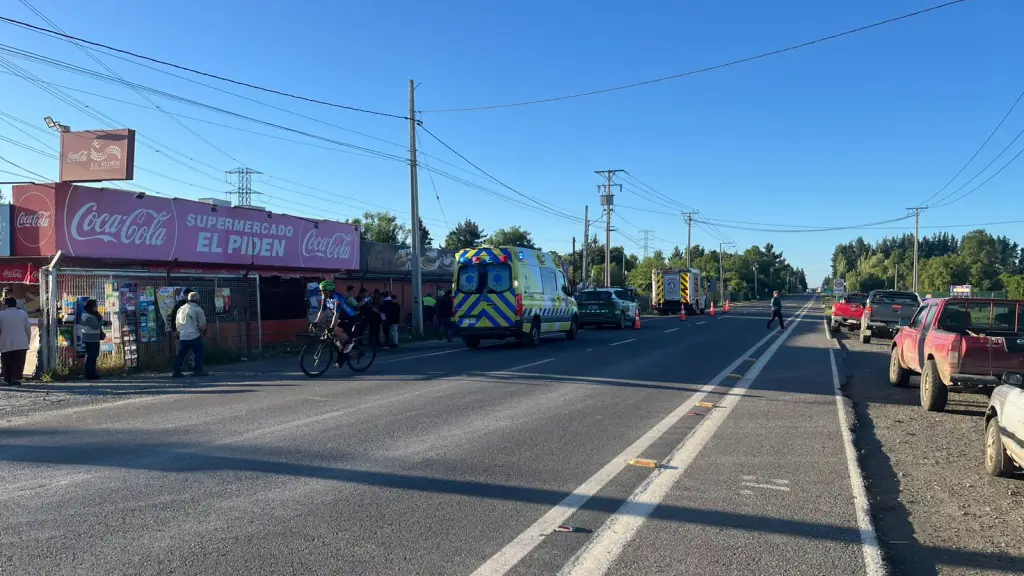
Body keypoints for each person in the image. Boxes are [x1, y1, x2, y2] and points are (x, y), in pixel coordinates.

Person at [310, 280, 359, 359]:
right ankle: (343, 348)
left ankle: (348, 348)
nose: (321, 293)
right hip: (341, 317)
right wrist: (315, 322)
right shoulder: (325, 298)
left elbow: (336, 314)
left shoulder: (337, 298)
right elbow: (322, 311)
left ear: (329, 290)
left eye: (323, 291)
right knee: (331, 331)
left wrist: (332, 327)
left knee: (336, 331)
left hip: (350, 317)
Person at [173, 292, 208, 377]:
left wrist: (180, 332)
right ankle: (198, 370)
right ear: (197, 300)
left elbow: (177, 323)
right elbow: (202, 324)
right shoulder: (197, 309)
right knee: (198, 352)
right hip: (194, 335)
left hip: (183, 336)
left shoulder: (181, 309)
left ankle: (176, 371)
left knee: (181, 354)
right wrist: (202, 331)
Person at [0, 297, 31, 385]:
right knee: (19, 361)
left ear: (6, 305)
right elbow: (27, 328)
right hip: (21, 342)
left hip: (5, 342)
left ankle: (7, 378)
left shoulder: (1, 314)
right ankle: (15, 378)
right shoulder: (22, 314)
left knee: (7, 361)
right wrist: (28, 340)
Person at [80, 298, 106, 380]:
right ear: (90, 307)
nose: (96, 308)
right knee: (90, 357)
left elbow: (98, 325)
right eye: (95, 306)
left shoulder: (94, 314)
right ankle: (89, 374)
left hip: (95, 338)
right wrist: (102, 321)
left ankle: (93, 373)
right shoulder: (86, 315)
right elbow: (95, 325)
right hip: (89, 339)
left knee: (94, 356)